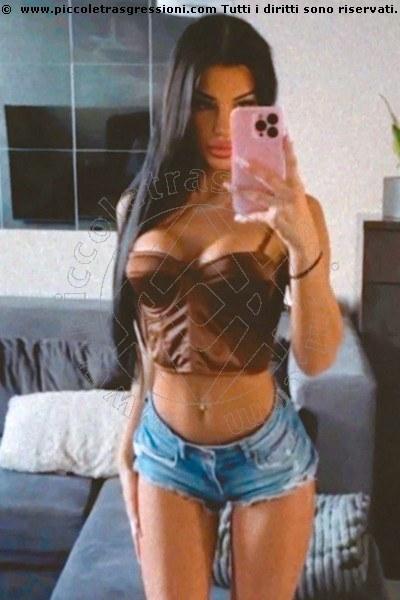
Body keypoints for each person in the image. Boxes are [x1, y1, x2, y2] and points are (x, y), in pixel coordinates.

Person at [114, 14, 344, 600]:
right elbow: (146, 342)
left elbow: (317, 359)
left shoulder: (298, 213)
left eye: (241, 107)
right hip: (166, 451)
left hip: (265, 454)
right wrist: (126, 439)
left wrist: (303, 245)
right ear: (178, 104)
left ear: (263, 111)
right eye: (203, 105)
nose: (221, 127)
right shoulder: (139, 207)